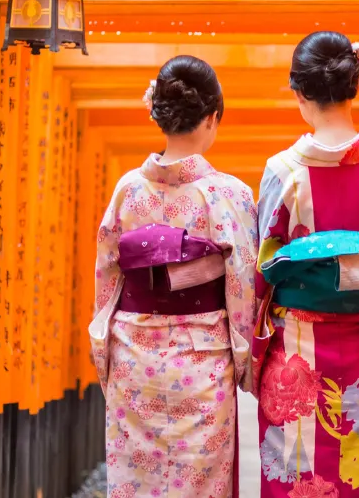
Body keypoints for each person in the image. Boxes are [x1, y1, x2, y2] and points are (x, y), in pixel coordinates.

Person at [252, 32, 359, 497]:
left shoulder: (281, 173)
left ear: (299, 93)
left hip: (293, 359)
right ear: (356, 84)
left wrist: (250, 356)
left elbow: (260, 273)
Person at [90, 55, 258, 498]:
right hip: (201, 359)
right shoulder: (230, 194)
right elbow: (242, 285)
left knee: (136, 480)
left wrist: (103, 350)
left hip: (133, 355)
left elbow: (107, 275)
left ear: (158, 114)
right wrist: (245, 363)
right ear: (213, 117)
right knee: (199, 481)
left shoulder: (127, 190)